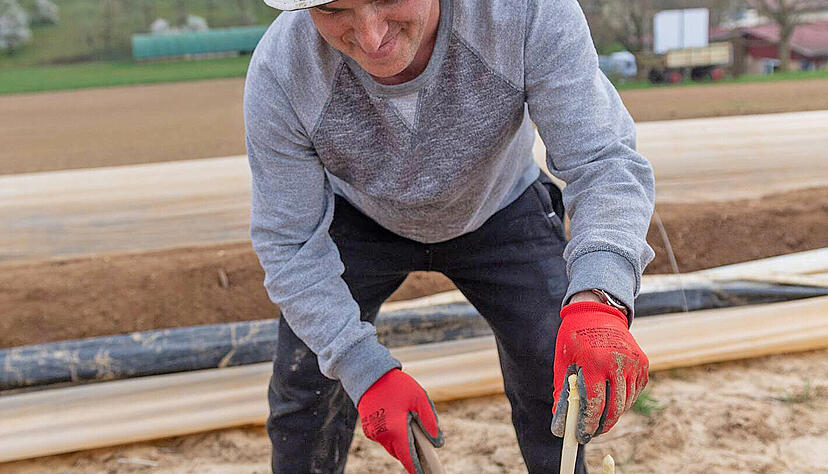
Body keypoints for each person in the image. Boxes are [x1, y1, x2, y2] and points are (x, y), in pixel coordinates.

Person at [244, 0, 654, 471]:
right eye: (336, 11)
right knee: (305, 396)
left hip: (499, 208)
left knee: (553, 370)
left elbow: (602, 160)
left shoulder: (524, 12)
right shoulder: (283, 69)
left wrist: (599, 298)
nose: (371, 37)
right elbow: (290, 243)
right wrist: (362, 369)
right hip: (359, 220)